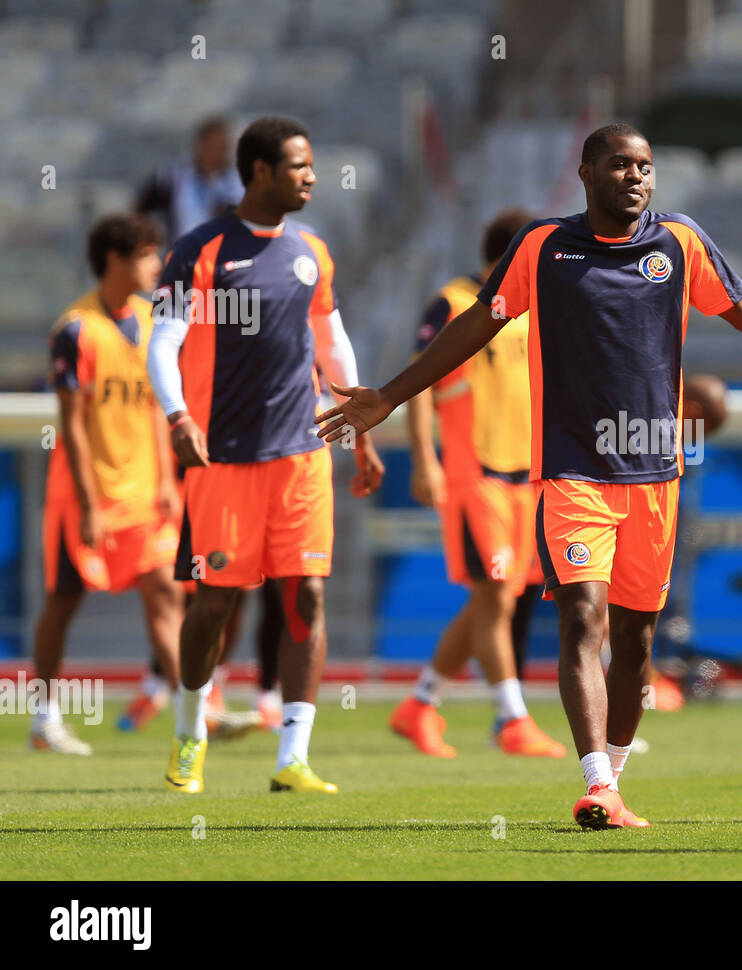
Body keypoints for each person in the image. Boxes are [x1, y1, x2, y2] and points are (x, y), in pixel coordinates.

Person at [316, 122, 742, 829]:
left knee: (635, 642)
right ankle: (595, 782)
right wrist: (390, 395)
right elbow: (478, 324)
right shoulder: (544, 247)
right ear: (585, 173)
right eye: (619, 165)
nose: (635, 177)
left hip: (653, 475)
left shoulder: (680, 243)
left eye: (644, 166)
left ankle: (615, 777)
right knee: (583, 616)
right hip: (571, 470)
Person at [147, 116, 385, 794]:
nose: (312, 176)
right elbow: (163, 343)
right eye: (299, 165)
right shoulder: (199, 252)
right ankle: (191, 733)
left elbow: (333, 345)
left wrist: (358, 432)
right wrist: (178, 416)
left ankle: (293, 758)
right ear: (259, 172)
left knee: (306, 596)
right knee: (216, 603)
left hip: (303, 454)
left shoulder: (313, 251)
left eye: (312, 165)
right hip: (224, 459)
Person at [390, 208, 566, 759]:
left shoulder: (532, 311)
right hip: (477, 474)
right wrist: (425, 459)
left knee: (500, 596)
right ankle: (512, 718)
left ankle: (420, 703)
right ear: (514, 256)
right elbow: (420, 382)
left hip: (526, 477)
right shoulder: (453, 303)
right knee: (494, 594)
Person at [32, 214, 184, 755]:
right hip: (86, 495)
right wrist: (89, 503)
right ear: (116, 260)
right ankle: (44, 718)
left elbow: (153, 408)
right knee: (65, 597)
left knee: (165, 589)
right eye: (147, 254)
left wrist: (167, 479)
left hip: (144, 491)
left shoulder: (149, 321)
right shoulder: (75, 329)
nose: (157, 264)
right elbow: (70, 424)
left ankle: (196, 710)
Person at [136, 115, 244, 242]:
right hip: (184, 250)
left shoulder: (239, 179)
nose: (218, 152)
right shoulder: (174, 176)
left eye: (222, 147)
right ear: (200, 145)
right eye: (213, 146)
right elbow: (142, 209)